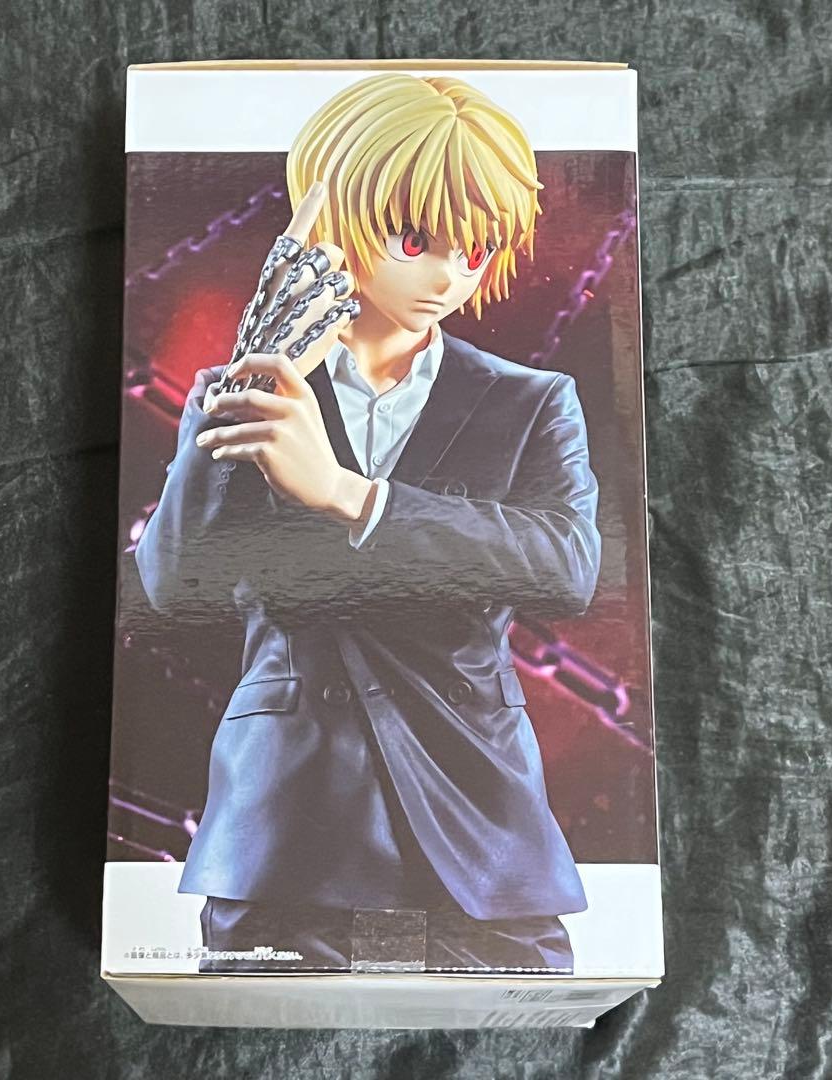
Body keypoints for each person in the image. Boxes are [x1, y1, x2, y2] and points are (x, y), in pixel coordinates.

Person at [135, 73, 601, 973]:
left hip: (478, 816)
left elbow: (567, 567)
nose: (448, 275)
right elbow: (172, 585)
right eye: (416, 239)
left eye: (477, 249)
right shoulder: (248, 390)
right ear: (335, 213)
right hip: (285, 818)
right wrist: (250, 370)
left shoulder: (531, 400)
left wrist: (353, 497)